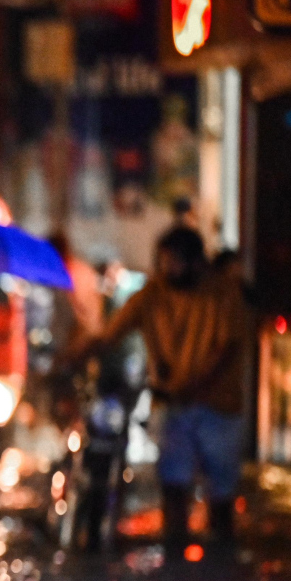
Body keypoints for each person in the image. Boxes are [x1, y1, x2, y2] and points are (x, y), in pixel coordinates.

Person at [72, 227, 248, 555]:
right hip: (173, 406)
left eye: (176, 262)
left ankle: (222, 562)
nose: (169, 270)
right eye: (165, 262)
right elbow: (110, 335)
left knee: (222, 496)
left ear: (196, 262)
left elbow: (227, 350)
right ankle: (176, 559)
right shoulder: (152, 294)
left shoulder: (224, 294)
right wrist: (74, 357)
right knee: (173, 487)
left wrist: (191, 387)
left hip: (218, 408)